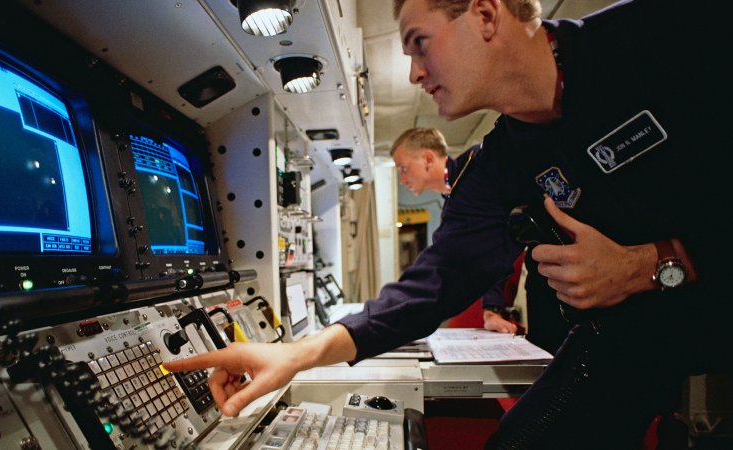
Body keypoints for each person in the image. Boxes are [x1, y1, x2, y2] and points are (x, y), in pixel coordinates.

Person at [165, 0, 729, 448]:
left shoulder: (667, 32)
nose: (413, 73)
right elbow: (433, 283)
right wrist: (295, 354)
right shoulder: (497, 169)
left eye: (420, 44)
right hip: (634, 333)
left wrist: (653, 262)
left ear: (485, 14)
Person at [391, 126, 520, 334]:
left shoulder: (476, 169)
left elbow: (489, 244)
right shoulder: (453, 192)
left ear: (427, 159)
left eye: (403, 169)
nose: (402, 180)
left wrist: (492, 308)